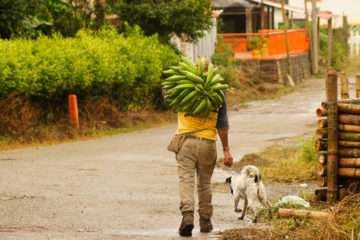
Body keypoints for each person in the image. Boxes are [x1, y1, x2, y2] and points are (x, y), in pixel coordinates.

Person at [175, 100, 233, 237]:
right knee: (205, 183)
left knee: (186, 180)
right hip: (208, 143)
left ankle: (187, 216)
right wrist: (226, 150)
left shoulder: (182, 83)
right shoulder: (216, 89)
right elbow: (222, 124)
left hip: (185, 141)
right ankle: (205, 221)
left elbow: (167, 96)